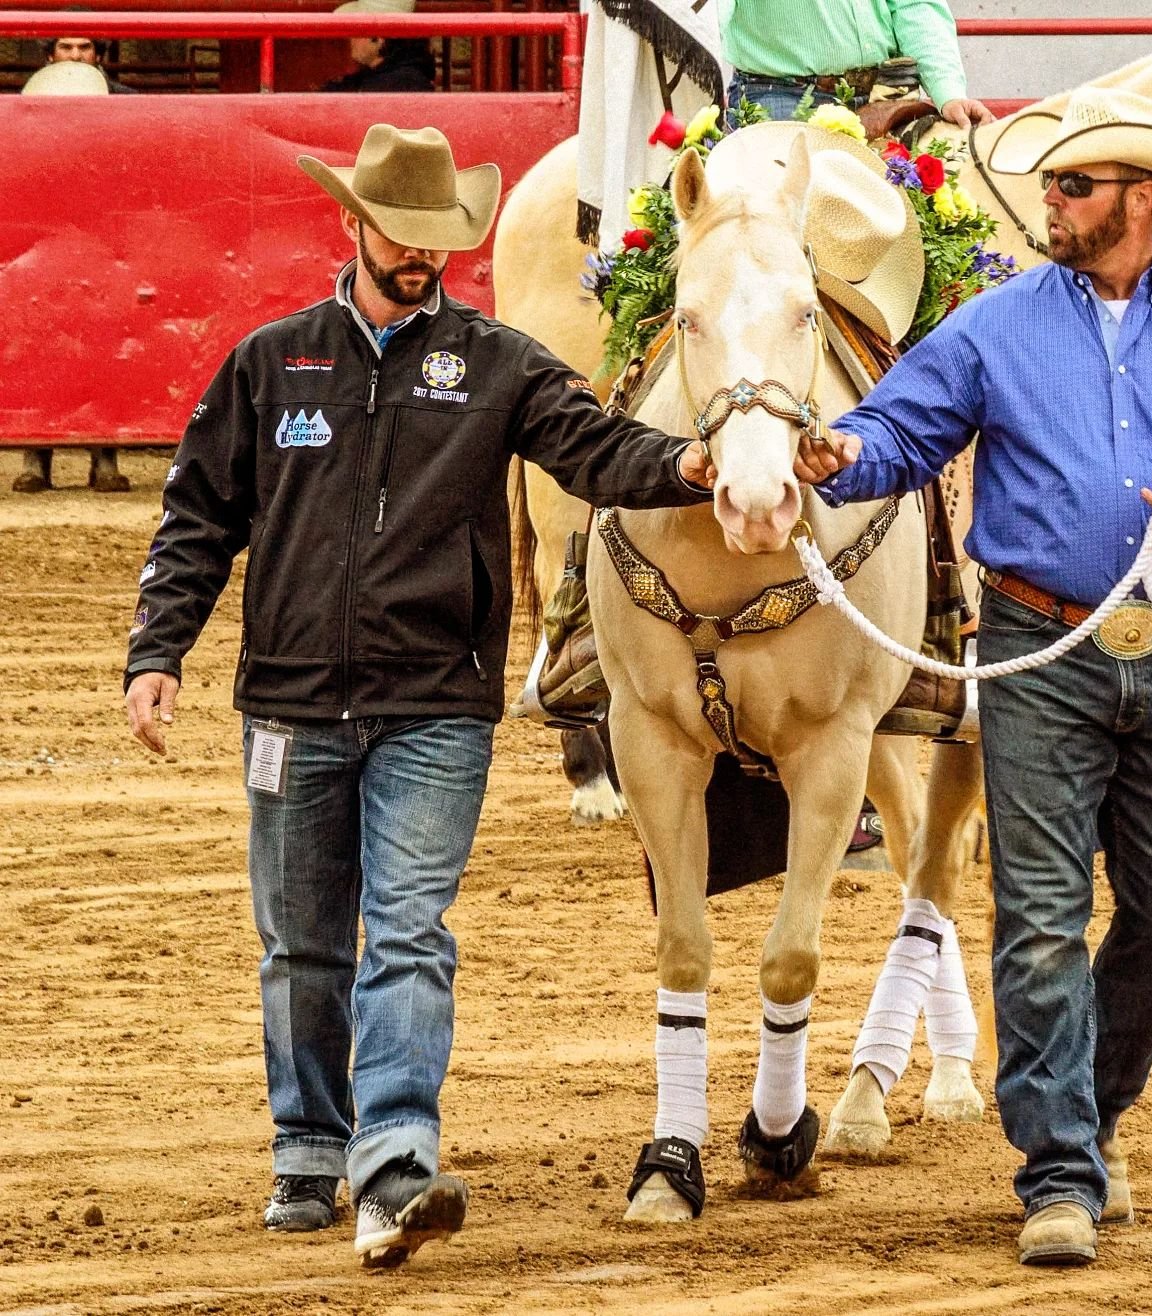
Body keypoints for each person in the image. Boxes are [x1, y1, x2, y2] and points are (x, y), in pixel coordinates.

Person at [120, 123, 738, 1268]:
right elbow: (199, 518)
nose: (420, 256)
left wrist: (687, 465)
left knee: (406, 931)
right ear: (351, 226)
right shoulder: (274, 360)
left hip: (437, 706)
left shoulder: (500, 362)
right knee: (301, 940)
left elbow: (596, 449)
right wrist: (157, 652)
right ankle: (308, 1145)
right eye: (400, 236)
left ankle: (395, 1157)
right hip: (291, 704)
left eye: (436, 239)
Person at [797, 88, 1152, 1266]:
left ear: (1142, 202)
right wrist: (839, 457)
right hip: (1036, 649)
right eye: (1050, 183)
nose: (1053, 200)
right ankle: (1060, 1171)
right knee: (1038, 916)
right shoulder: (994, 325)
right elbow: (901, 434)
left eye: (1076, 187)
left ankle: (1086, 1111)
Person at [14, 30, 133, 495]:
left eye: (85, 47)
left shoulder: (128, 104)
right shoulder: (26, 102)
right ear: (49, 54)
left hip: (104, 235)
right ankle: (35, 456)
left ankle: (104, 455)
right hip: (40, 234)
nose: (76, 55)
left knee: (104, 340)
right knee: (40, 339)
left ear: (99, 54)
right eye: (67, 47)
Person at [721, 0, 993, 126]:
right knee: (787, 223)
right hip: (780, 95)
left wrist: (949, 93)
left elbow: (916, 6)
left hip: (886, 95)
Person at [322, 0, 435, 93]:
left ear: (378, 37)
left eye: (357, 30)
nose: (351, 38)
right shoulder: (377, 75)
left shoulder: (403, 83)